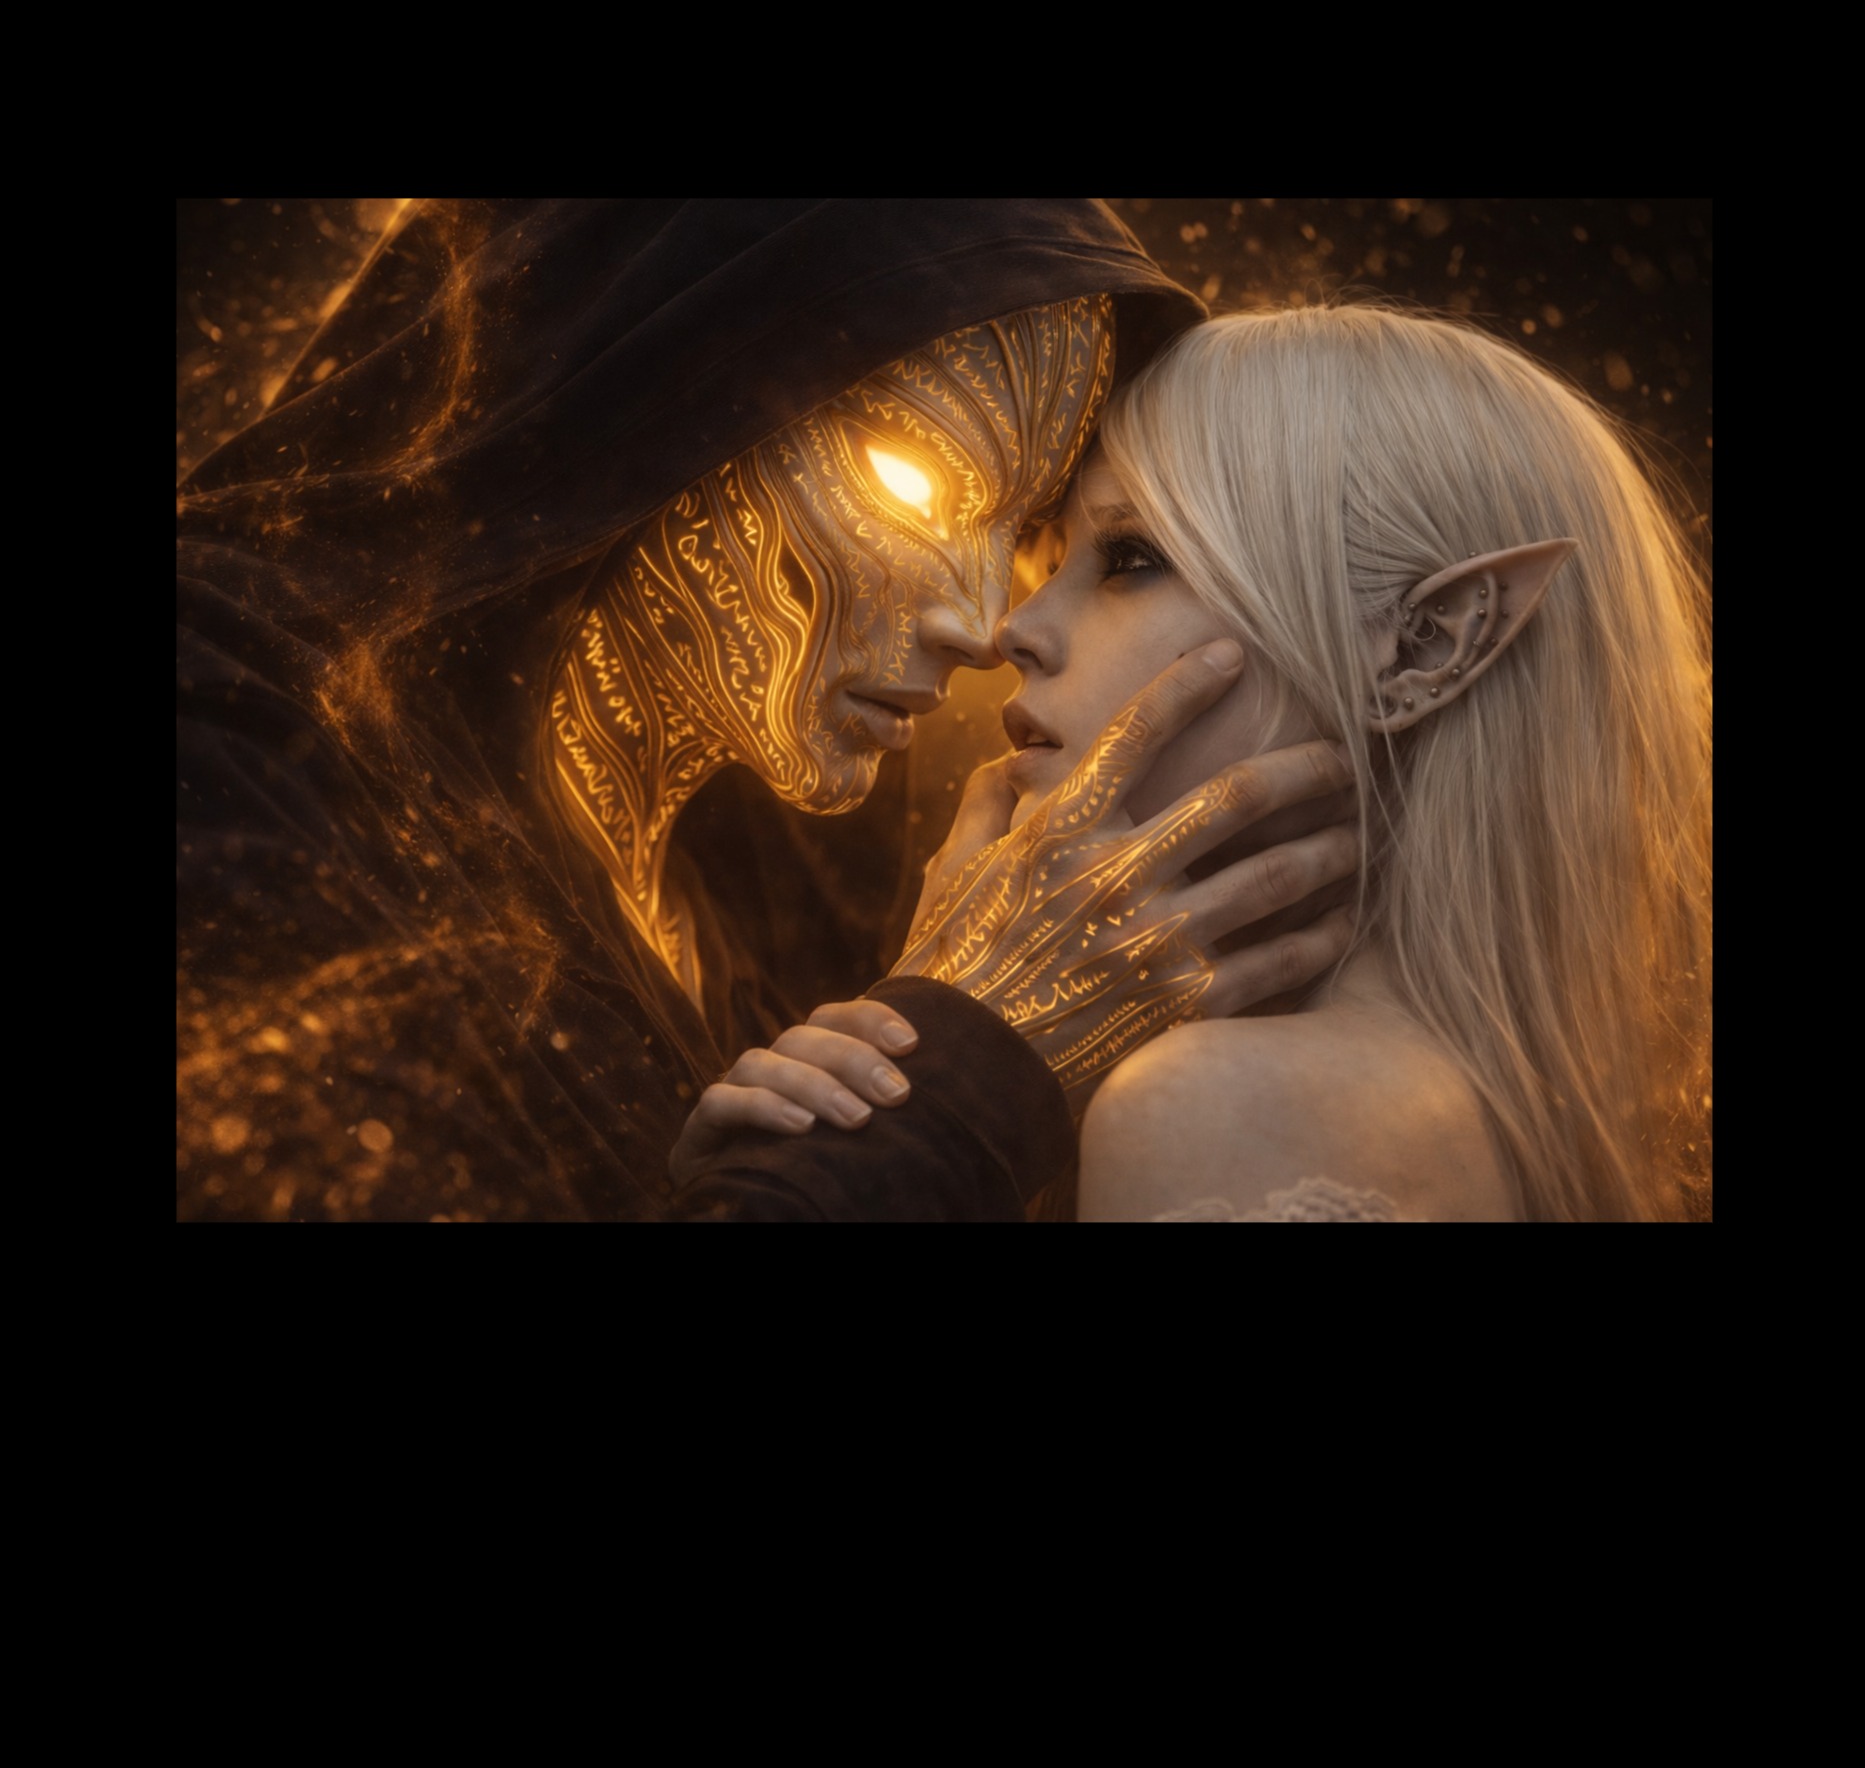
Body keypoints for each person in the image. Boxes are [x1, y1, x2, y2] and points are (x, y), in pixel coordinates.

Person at [176, 201, 1353, 1221]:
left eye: (1026, 538)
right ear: (669, 383)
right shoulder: (226, 748)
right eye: (913, 478)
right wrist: (969, 1064)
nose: (986, 620)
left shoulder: (772, 900)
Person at [714, 302, 1712, 1221]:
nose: (1013, 628)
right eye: (1049, 560)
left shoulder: (1213, 1106)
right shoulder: (1500, 1105)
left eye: (1131, 558)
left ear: (1422, 646)